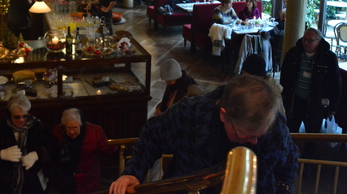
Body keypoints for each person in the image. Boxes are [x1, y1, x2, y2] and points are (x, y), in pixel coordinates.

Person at [109, 75, 299, 194]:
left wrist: (283, 189)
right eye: (246, 136)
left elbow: (288, 164)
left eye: (260, 134)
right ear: (223, 115)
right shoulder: (191, 114)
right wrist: (133, 173)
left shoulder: (274, 129)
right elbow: (151, 135)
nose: (255, 142)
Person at [280, 28, 341, 157]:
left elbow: (335, 83)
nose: (306, 43)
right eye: (305, 39)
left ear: (318, 41)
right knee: (291, 132)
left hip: (315, 104)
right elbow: (284, 76)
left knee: (312, 136)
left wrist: (333, 107)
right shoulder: (294, 53)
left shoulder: (328, 58)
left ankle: (307, 162)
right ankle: (289, 158)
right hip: (295, 101)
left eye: (310, 40)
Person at [0, 94, 56, 194]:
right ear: (10, 115)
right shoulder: (0, 129)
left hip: (33, 181)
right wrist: (1, 154)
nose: (21, 120)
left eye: (24, 116)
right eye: (17, 117)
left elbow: (53, 149)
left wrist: (37, 155)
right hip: (7, 182)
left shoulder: (37, 128)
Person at [52, 108, 117, 194]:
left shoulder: (95, 131)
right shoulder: (58, 132)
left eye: (75, 128)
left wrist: (118, 152)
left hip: (89, 180)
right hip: (64, 179)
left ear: (81, 125)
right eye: (68, 128)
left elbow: (107, 149)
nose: (71, 132)